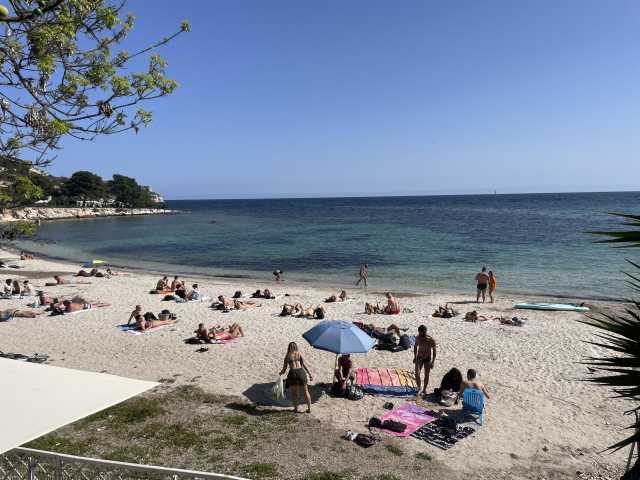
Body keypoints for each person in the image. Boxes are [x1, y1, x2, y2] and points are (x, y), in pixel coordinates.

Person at [279, 342, 313, 413]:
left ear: (289, 348)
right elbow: (303, 365)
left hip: (293, 373)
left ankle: (296, 409)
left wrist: (280, 373)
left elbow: (284, 370)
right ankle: (309, 408)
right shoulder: (299, 354)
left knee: (294, 393)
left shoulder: (287, 356)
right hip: (301, 372)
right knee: (306, 391)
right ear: (296, 347)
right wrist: (309, 373)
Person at [414, 325, 437, 396]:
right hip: (419, 358)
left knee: (426, 374)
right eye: (420, 333)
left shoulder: (430, 339)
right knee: (417, 374)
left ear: (425, 332)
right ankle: (419, 388)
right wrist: (414, 357)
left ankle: (424, 389)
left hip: (427, 359)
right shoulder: (417, 338)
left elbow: (434, 351)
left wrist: (433, 362)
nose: (421, 334)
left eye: (422, 333)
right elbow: (415, 347)